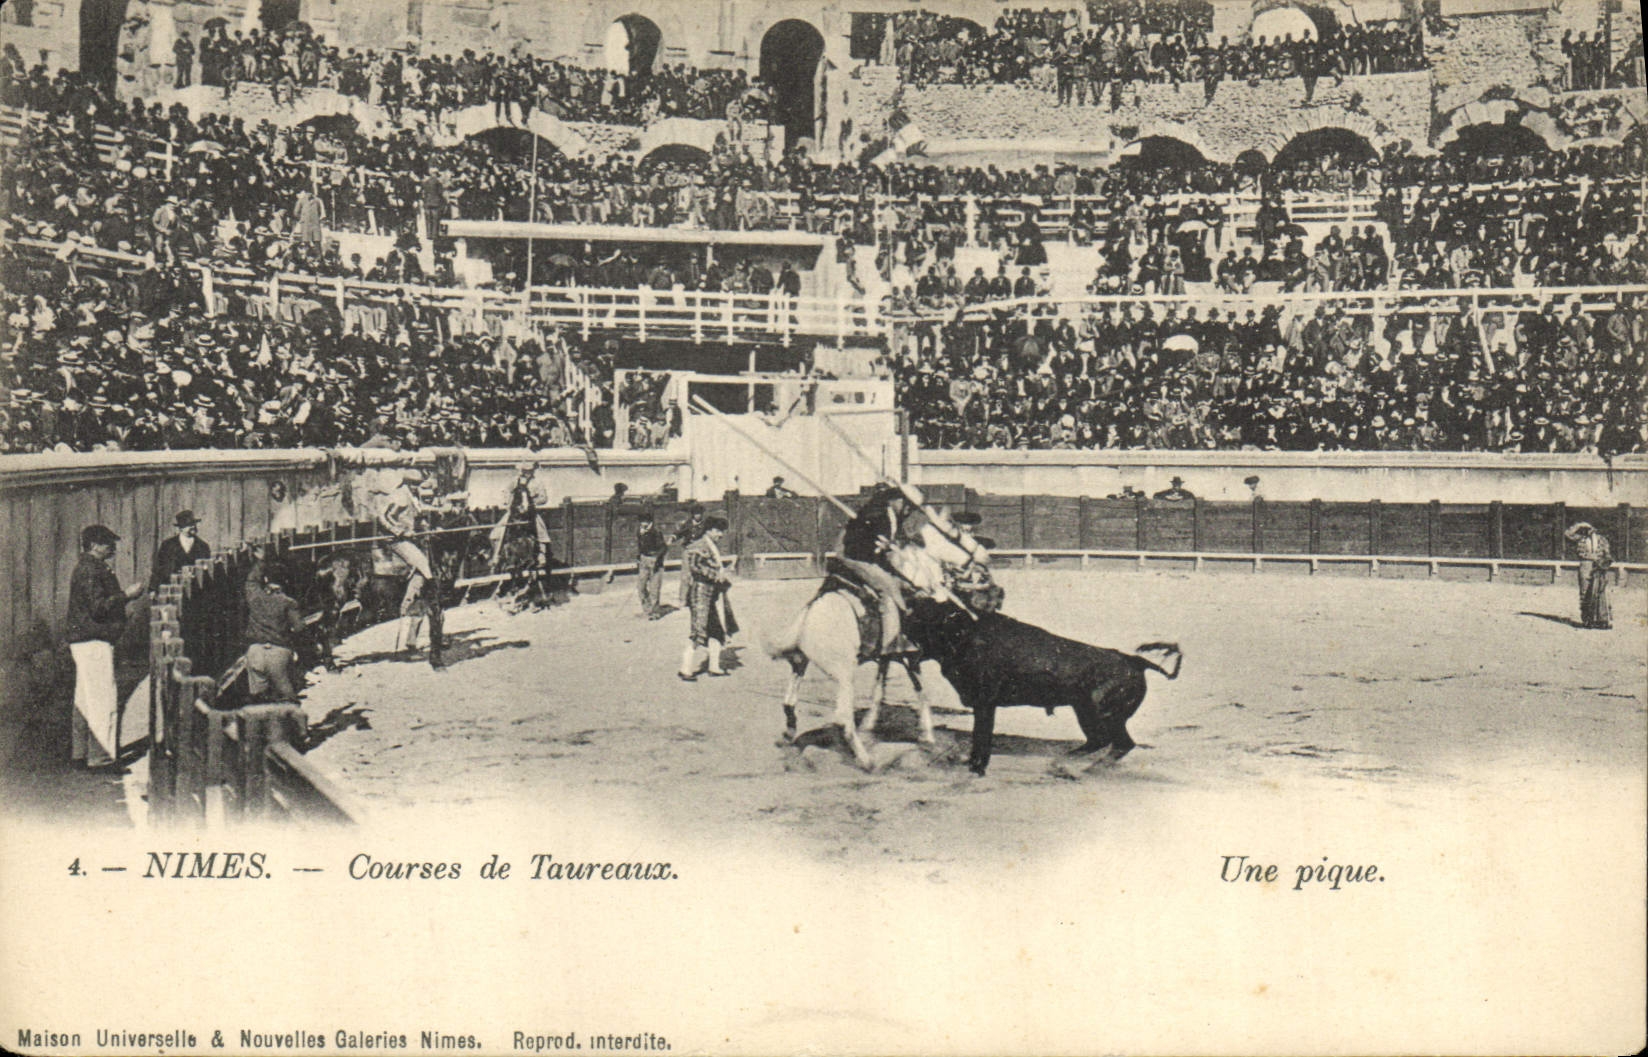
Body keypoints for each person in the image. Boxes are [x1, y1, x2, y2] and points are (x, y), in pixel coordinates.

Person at [66, 524, 145, 769]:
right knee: (103, 700)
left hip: (85, 641)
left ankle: (80, 754)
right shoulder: (91, 569)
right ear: (94, 546)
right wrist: (128, 596)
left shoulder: (87, 567)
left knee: (85, 701)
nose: (112, 547)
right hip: (94, 641)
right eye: (107, 543)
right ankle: (100, 758)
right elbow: (98, 607)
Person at [835, 483, 914, 653]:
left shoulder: (889, 516)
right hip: (857, 558)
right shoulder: (878, 515)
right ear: (896, 500)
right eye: (908, 504)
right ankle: (890, 644)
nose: (909, 510)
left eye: (912, 507)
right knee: (889, 589)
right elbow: (861, 547)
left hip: (865, 557)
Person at [376, 467, 434, 651]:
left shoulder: (412, 497)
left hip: (410, 538)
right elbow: (384, 517)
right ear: (409, 484)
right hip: (397, 541)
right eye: (418, 485)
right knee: (424, 564)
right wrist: (400, 531)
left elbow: (418, 517)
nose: (421, 488)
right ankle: (407, 602)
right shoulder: (400, 496)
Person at [679, 515, 736, 680]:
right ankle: (685, 669)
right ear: (709, 530)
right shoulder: (700, 545)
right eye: (718, 531)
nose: (721, 534)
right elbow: (696, 566)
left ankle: (714, 667)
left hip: (710, 595)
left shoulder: (709, 545)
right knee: (698, 632)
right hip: (700, 595)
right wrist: (716, 576)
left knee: (716, 631)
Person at [244, 558, 306, 702]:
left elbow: (251, 581)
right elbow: (299, 628)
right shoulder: (288, 602)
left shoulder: (255, 596)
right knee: (288, 698)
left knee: (259, 700)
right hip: (278, 653)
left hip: (255, 652)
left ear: (266, 580)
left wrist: (260, 561)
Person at [1565, 522, 1613, 630]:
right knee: (1585, 592)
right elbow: (1567, 534)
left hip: (1598, 566)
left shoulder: (1602, 540)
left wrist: (1603, 563)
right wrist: (1579, 525)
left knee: (1600, 592)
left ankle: (1602, 620)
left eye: (1591, 528)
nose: (1589, 530)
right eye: (1586, 528)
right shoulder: (1580, 538)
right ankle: (1587, 620)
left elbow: (1608, 555)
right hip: (1585, 565)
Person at [150, 509, 212, 592]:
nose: (193, 526)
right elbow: (158, 568)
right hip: (172, 590)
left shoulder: (203, 546)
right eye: (189, 525)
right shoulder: (167, 545)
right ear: (181, 528)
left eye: (194, 523)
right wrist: (153, 589)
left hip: (196, 592)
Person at [672, 503, 707, 608]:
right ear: (692, 515)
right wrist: (673, 537)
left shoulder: (705, 525)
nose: (698, 516)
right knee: (685, 576)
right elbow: (679, 533)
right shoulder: (688, 524)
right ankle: (683, 600)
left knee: (701, 575)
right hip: (688, 550)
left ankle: (700, 598)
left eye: (699, 514)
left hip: (700, 551)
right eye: (696, 514)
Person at [636, 507, 667, 619]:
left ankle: (655, 612)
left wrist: (657, 560)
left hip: (655, 560)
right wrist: (638, 557)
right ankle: (647, 609)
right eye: (642, 521)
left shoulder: (656, 532)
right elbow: (640, 546)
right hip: (644, 560)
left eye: (645, 521)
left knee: (654, 588)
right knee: (641, 587)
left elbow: (663, 548)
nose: (643, 523)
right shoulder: (640, 532)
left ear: (650, 522)